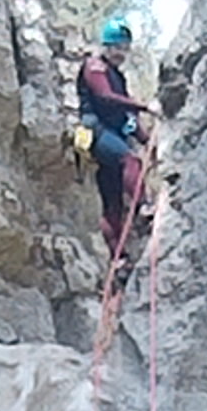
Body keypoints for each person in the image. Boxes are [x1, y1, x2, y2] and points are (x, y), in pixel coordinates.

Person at [76, 18, 154, 255]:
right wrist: (144, 106)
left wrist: (146, 139)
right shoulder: (94, 67)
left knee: (114, 204)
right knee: (130, 160)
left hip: (114, 134)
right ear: (107, 46)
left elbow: (126, 115)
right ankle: (143, 206)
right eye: (118, 47)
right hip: (97, 133)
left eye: (125, 48)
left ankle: (119, 260)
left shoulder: (117, 77)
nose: (122, 53)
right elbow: (104, 96)